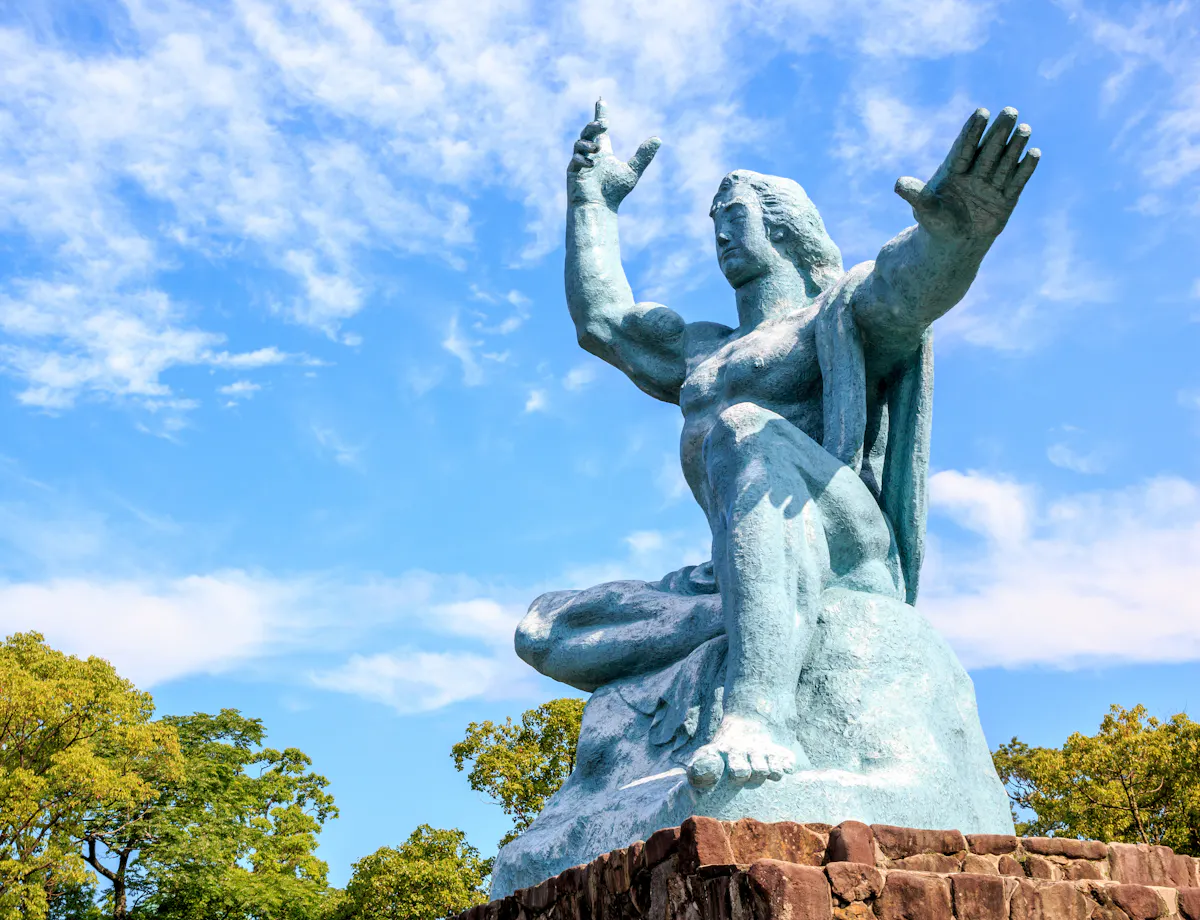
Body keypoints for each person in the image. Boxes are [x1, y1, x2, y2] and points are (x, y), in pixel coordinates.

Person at [518, 100, 1039, 790]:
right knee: (548, 629)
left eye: (734, 215)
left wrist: (956, 238)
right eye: (713, 222)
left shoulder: (837, 309)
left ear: (782, 223)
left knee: (746, 431)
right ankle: (737, 606)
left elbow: (906, 285)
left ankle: (760, 713)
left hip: (838, 536)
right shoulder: (702, 351)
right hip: (734, 561)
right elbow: (606, 324)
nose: (721, 233)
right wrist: (591, 204)